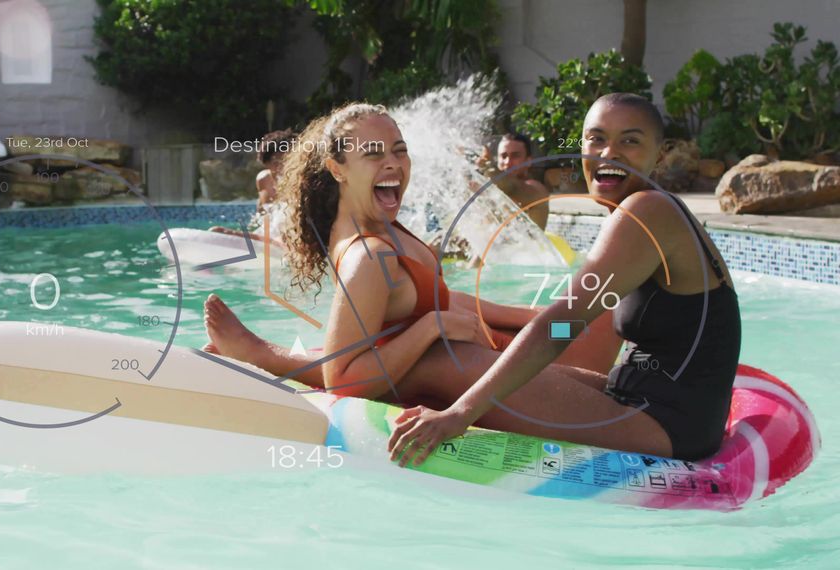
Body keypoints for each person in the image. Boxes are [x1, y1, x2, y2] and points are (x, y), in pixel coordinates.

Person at [388, 93, 741, 464]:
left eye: (630, 141)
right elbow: (575, 318)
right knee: (465, 359)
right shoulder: (651, 208)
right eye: (597, 139)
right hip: (641, 395)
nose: (608, 154)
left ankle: (338, 385)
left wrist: (459, 414)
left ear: (661, 155)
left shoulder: (647, 212)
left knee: (443, 365)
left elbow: (562, 324)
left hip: (668, 424)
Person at [203, 102, 623, 401]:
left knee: (598, 317)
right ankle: (262, 354)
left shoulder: (384, 223)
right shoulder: (367, 255)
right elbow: (342, 377)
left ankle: (265, 352)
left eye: (399, 150)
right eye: (372, 153)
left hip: (491, 344)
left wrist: (530, 317)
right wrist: (432, 327)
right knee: (606, 360)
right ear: (337, 169)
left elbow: (441, 298)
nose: (392, 163)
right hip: (474, 364)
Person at [210, 129, 295, 240]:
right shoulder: (264, 179)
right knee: (216, 232)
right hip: (270, 238)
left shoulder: (300, 182)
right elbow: (263, 219)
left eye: (284, 161)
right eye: (275, 163)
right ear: (266, 163)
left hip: (285, 241)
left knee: (218, 232)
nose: (281, 168)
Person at [477, 133, 550, 229]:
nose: (508, 162)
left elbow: (511, 188)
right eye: (503, 156)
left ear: (528, 161)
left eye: (515, 156)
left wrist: (488, 166)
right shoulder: (490, 191)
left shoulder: (536, 190)